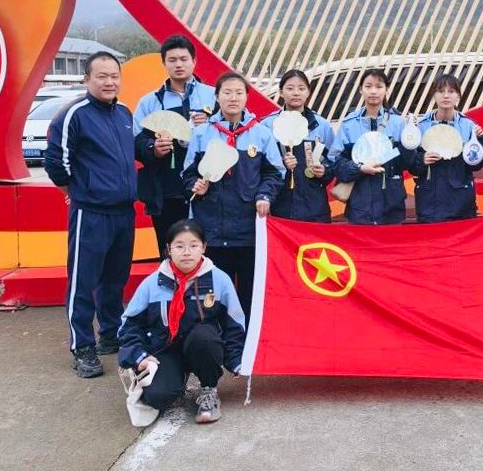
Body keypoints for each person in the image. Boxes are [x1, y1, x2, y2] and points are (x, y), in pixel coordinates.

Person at [44, 51, 137, 378]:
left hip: (124, 212)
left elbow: (129, 154)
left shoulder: (124, 113)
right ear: (87, 79)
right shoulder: (74, 115)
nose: (109, 82)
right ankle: (82, 346)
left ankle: (110, 334)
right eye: (102, 76)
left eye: (114, 76)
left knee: (115, 279)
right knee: (82, 281)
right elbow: (55, 163)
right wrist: (76, 192)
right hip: (91, 212)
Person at [119, 220, 246, 424]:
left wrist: (236, 360)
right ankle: (176, 381)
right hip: (165, 349)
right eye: (179, 246)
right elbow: (129, 326)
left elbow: (234, 325)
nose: (187, 252)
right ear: (169, 249)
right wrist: (138, 355)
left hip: (201, 346)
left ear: (204, 247)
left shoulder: (219, 280)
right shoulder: (152, 284)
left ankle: (208, 390)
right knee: (158, 397)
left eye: (193, 245)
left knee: (205, 336)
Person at [183, 71, 284, 315]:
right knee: (213, 294)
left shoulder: (261, 133)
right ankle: (216, 335)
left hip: (248, 229)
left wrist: (264, 196)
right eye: (227, 92)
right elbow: (187, 173)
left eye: (239, 92)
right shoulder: (202, 133)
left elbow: (274, 173)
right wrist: (195, 184)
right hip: (211, 228)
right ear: (217, 96)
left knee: (249, 293)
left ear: (247, 97)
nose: (233, 98)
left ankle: (246, 336)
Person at [133, 35, 216, 254]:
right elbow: (135, 142)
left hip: (208, 190)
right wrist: (153, 148)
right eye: (172, 60)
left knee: (209, 253)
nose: (178, 64)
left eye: (183, 59)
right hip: (166, 192)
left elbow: (232, 133)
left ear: (194, 61)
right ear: (163, 63)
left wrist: (211, 124)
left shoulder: (214, 96)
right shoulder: (150, 101)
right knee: (171, 252)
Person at [330, 69, 417, 225]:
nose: (373, 91)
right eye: (368, 86)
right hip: (359, 209)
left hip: (391, 208)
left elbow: (407, 164)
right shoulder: (349, 124)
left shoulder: (398, 123)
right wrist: (359, 169)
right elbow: (336, 163)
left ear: (386, 89)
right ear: (361, 89)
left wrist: (411, 139)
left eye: (379, 86)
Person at [410, 73, 483, 222]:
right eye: (441, 91)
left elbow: (476, 165)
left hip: (461, 204)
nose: (446, 96)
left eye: (451, 91)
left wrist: (481, 141)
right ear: (434, 95)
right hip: (429, 204)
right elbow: (411, 166)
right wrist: (422, 159)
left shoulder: (469, 126)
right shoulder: (421, 126)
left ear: (458, 96)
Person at [260, 70, 335, 223]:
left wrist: (324, 171)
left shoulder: (322, 126)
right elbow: (258, 166)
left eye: (301, 88)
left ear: (308, 92)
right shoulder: (267, 126)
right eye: (290, 88)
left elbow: (334, 163)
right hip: (280, 208)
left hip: (315, 209)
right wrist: (281, 164)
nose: (296, 93)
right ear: (281, 92)